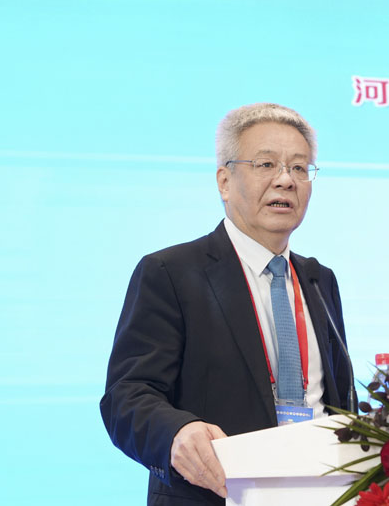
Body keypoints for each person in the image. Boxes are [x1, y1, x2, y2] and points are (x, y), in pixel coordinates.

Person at [100, 103, 352, 505]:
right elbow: (126, 397)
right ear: (224, 181)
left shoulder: (320, 279)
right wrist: (176, 433)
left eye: (299, 168)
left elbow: (335, 404)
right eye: (266, 164)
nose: (286, 180)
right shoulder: (171, 272)